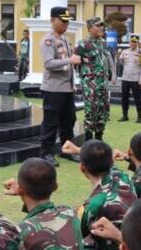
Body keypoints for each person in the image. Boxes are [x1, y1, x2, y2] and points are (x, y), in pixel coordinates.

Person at [63, 140, 139, 250]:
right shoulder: (123, 177)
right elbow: (103, 160)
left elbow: (69, 235)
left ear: (82, 168)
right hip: (137, 249)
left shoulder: (95, 206)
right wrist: (79, 150)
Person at [39, 7, 81, 166]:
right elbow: (48, 64)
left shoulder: (64, 39)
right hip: (53, 89)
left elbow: (68, 66)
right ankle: (46, 153)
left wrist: (73, 83)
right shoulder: (47, 40)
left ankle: (66, 150)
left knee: (68, 121)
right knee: (51, 122)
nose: (65, 24)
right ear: (52, 20)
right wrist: (71, 60)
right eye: (62, 21)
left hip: (67, 89)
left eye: (67, 21)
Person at [76, 17, 110, 141]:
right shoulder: (83, 44)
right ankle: (89, 141)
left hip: (103, 84)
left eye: (102, 25)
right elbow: (75, 61)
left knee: (103, 111)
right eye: (98, 25)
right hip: (91, 85)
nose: (101, 27)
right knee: (91, 112)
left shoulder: (102, 43)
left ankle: (99, 139)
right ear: (90, 28)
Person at [117, 35, 141, 123]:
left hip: (136, 79)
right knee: (124, 98)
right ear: (130, 42)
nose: (133, 43)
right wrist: (118, 56)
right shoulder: (125, 52)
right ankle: (125, 115)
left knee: (137, 98)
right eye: (132, 42)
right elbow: (120, 62)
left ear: (138, 43)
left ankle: (139, 117)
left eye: (135, 42)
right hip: (125, 78)